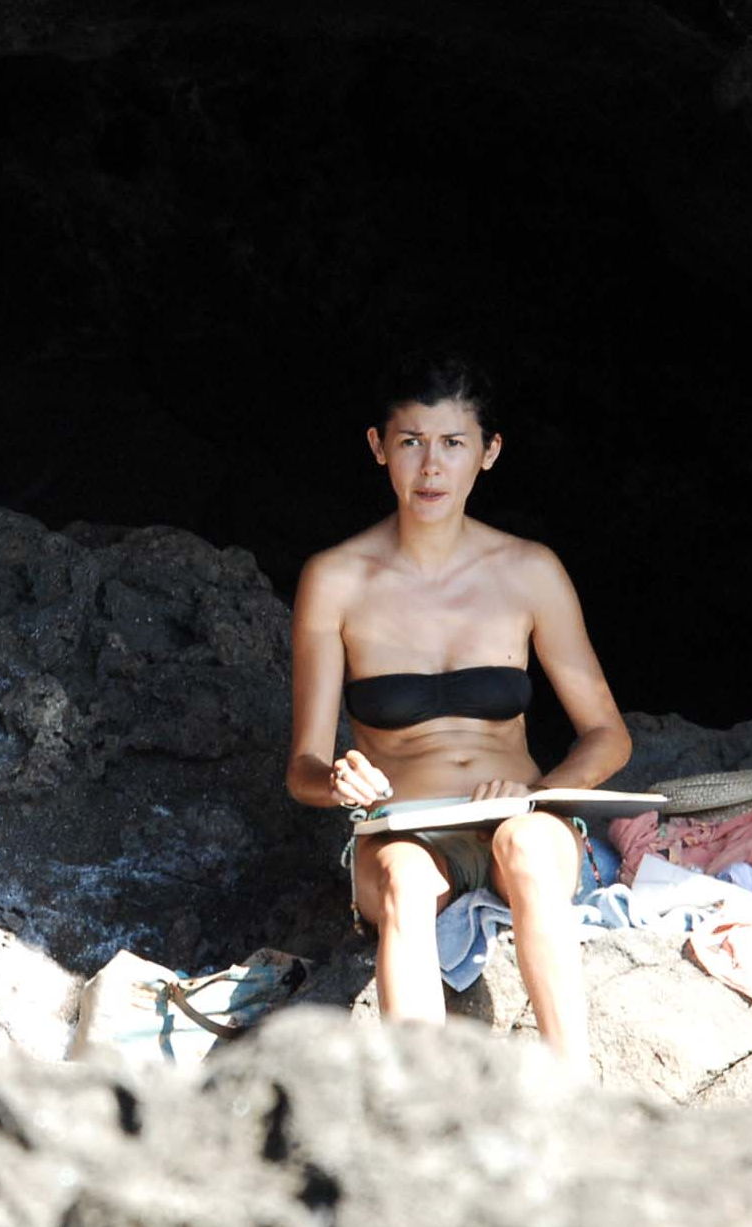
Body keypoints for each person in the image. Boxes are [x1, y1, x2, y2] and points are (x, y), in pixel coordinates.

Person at [286, 355, 630, 1069]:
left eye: (452, 443)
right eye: (411, 442)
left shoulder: (530, 571)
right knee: (409, 879)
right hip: (402, 830)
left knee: (527, 849)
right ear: (379, 447)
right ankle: (421, 1099)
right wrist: (338, 781)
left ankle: (574, 1087)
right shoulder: (335, 578)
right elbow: (303, 768)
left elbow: (607, 734)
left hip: (519, 815)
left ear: (489, 451)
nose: (431, 466)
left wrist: (539, 794)